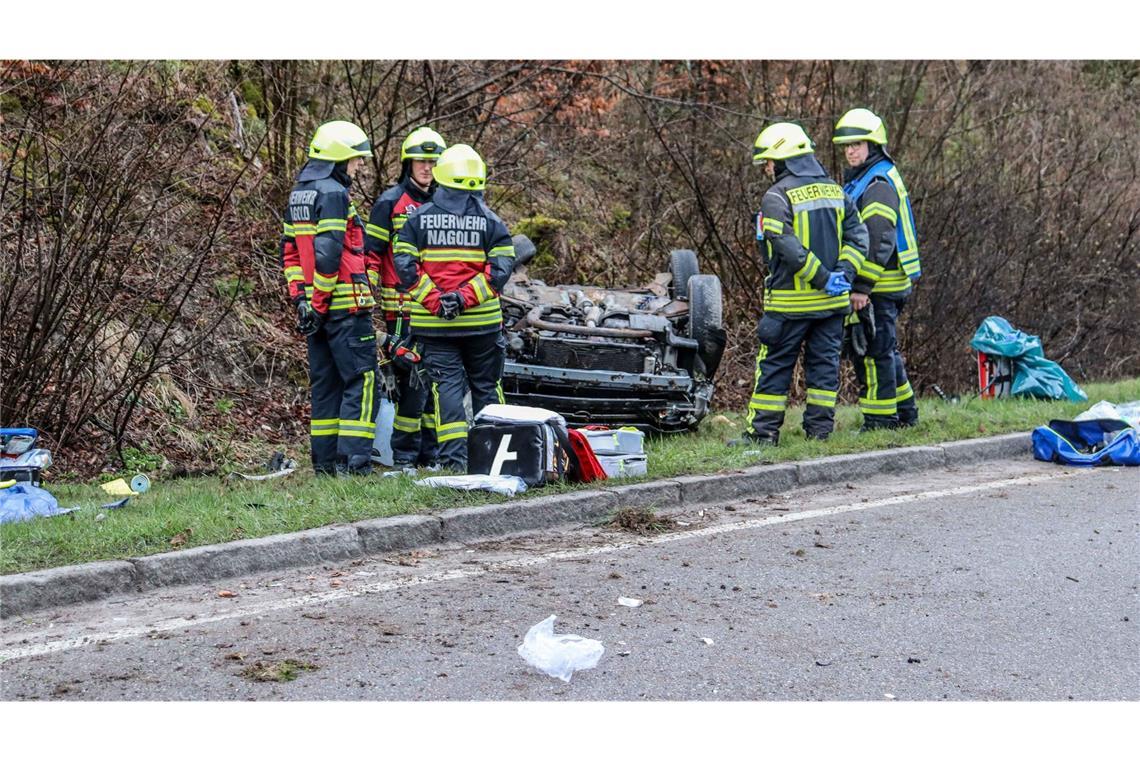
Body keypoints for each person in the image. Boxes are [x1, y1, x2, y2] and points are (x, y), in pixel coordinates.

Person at [742, 122, 869, 445]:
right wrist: (843, 274)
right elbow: (859, 238)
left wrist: (822, 277)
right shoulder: (835, 190)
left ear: (784, 159)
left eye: (769, 162)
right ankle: (819, 434)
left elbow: (786, 247)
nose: (767, 169)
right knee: (824, 370)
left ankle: (763, 434)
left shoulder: (776, 196)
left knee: (774, 368)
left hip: (789, 305)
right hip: (831, 306)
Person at [393, 144, 515, 471]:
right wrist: (464, 298)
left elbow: (404, 265)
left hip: (436, 328)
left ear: (440, 176)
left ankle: (453, 464)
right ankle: (495, 461)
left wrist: (437, 301)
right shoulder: (492, 223)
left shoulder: (417, 220)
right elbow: (499, 272)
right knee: (486, 389)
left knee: (445, 392)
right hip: (483, 326)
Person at [280, 120, 379, 475]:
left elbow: (290, 254)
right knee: (363, 381)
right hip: (343, 308)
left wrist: (303, 301)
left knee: (326, 386)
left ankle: (324, 467)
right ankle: (354, 466)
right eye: (355, 159)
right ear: (338, 158)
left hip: (316, 311)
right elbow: (328, 254)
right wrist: (319, 303)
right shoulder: (334, 194)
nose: (359, 165)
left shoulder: (299, 193)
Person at [832, 108, 921, 428]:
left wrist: (861, 287)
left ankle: (881, 421)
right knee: (885, 350)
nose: (851, 150)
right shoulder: (869, 177)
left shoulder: (878, 182)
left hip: (880, 285)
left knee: (873, 353)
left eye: (857, 144)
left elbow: (878, 240)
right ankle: (906, 413)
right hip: (884, 283)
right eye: (847, 145)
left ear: (874, 145)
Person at [365, 127, 447, 467]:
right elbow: (370, 256)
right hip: (400, 310)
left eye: (433, 162)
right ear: (407, 164)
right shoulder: (390, 202)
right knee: (412, 385)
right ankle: (404, 457)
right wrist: (369, 307)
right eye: (420, 161)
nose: (427, 168)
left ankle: (432, 455)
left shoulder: (446, 202)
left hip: (438, 309)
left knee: (436, 384)